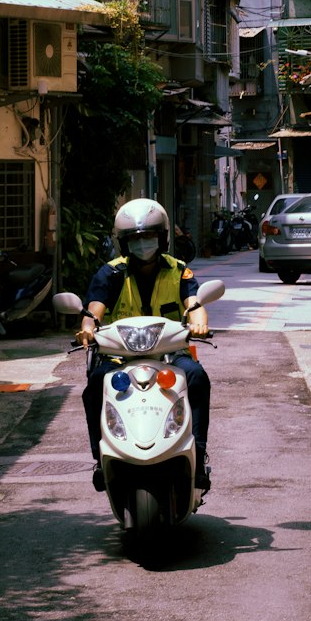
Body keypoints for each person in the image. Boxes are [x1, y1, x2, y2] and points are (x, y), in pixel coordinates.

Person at [76, 198, 212, 492]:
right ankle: (101, 459)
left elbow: (195, 302)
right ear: (124, 244)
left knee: (197, 377)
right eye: (135, 240)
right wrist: (87, 329)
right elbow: (94, 309)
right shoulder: (110, 274)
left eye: (149, 238)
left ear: (161, 238)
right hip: (118, 358)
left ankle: (198, 457)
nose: (143, 245)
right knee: (95, 384)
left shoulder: (179, 271)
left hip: (170, 355)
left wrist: (199, 321)